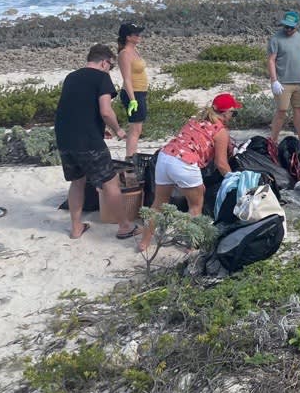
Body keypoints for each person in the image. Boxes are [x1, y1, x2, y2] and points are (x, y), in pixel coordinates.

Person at [137, 93, 241, 253]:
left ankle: (144, 243)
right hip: (184, 162)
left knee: (157, 205)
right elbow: (221, 163)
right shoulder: (221, 131)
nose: (233, 116)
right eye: (233, 113)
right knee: (195, 206)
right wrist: (234, 179)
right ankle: (191, 246)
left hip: (165, 157)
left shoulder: (195, 121)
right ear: (225, 112)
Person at [53, 44, 135, 240]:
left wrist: (99, 129)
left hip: (65, 137)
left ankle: (75, 227)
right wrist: (118, 129)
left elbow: (76, 108)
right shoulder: (101, 77)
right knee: (110, 181)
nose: (110, 70)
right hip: (87, 140)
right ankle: (124, 226)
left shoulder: (71, 77)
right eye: (111, 66)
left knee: (77, 181)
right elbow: (106, 111)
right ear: (105, 62)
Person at [267, 10, 300, 143]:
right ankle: (273, 141)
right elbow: (271, 60)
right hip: (283, 82)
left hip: (299, 81)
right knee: (281, 111)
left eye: (290, 27)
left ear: (296, 26)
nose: (288, 29)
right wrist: (274, 80)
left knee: (299, 111)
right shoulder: (276, 39)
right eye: (285, 26)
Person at [117, 22, 148, 160]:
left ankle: (132, 157)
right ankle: (130, 160)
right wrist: (133, 99)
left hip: (140, 92)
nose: (139, 36)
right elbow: (127, 79)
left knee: (137, 129)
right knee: (135, 130)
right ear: (128, 37)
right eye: (136, 34)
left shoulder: (135, 50)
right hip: (133, 94)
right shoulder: (124, 54)